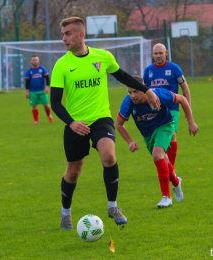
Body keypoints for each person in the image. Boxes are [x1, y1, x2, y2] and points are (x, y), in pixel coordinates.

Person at [50, 17, 161, 230]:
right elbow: (54, 103)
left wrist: (147, 90)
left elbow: (124, 76)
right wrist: (72, 123)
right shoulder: (62, 65)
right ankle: (66, 213)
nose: (64, 38)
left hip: (101, 118)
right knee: (73, 172)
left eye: (68, 34)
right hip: (76, 124)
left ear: (81, 35)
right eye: (63, 34)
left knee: (109, 156)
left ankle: (112, 206)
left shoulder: (103, 57)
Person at [116, 75, 198, 208]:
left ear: (145, 89)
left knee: (157, 155)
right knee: (164, 161)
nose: (132, 95)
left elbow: (182, 99)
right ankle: (176, 182)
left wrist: (191, 122)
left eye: (136, 91)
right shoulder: (128, 103)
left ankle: (166, 197)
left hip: (165, 125)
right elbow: (119, 124)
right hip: (148, 134)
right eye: (129, 92)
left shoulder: (158, 94)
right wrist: (130, 141)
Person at [143, 43, 191, 168]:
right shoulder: (148, 71)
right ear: (152, 54)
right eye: (156, 53)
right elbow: (145, 93)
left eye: (161, 53)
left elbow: (185, 88)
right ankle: (167, 167)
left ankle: (171, 168)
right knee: (158, 141)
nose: (158, 56)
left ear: (166, 53)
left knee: (172, 135)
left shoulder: (175, 68)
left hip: (172, 108)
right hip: (156, 111)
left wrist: (188, 109)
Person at [25, 54, 53, 124]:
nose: (35, 61)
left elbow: (47, 79)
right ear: (31, 61)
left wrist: (47, 87)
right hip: (32, 92)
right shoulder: (29, 71)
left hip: (42, 91)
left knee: (46, 105)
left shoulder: (42, 69)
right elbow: (27, 82)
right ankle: (36, 121)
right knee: (34, 106)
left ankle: (49, 115)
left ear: (38, 61)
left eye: (36, 60)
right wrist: (27, 92)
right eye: (33, 60)